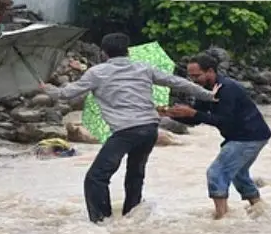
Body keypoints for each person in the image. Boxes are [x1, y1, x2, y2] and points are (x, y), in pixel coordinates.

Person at [38, 33, 217, 224]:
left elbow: (65, 94)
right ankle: (132, 217)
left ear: (104, 53)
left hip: (126, 131)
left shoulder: (96, 73)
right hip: (149, 129)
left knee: (96, 177)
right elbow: (177, 82)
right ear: (128, 51)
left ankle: (102, 222)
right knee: (135, 174)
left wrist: (46, 88)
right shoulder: (143, 67)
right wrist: (209, 95)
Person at [164, 53, 271, 220]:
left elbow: (224, 121)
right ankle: (259, 210)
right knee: (238, 174)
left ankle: (222, 217)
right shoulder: (205, 90)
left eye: (197, 76)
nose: (193, 80)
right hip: (243, 135)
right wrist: (171, 113)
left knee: (216, 172)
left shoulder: (227, 89)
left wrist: (193, 112)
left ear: (210, 71)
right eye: (190, 76)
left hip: (249, 136)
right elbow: (196, 119)